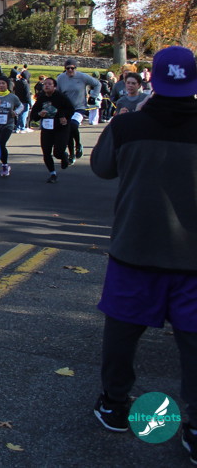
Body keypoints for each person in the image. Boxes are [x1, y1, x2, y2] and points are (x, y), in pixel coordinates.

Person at [89, 45, 197, 462]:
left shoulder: (128, 125)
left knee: (122, 332)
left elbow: (102, 168)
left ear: (153, 81)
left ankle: (115, 403)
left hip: (136, 247)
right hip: (192, 256)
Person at [55, 59, 100, 164]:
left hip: (79, 107)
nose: (70, 70)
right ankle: (72, 154)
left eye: (72, 68)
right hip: (66, 108)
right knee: (68, 130)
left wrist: (93, 96)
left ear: (76, 68)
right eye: (68, 68)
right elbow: (58, 93)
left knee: (73, 126)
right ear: (65, 69)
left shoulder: (82, 76)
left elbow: (97, 84)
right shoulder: (61, 78)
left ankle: (78, 145)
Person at [30, 77, 74, 183]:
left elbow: (71, 109)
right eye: (45, 84)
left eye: (49, 84)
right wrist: (39, 114)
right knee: (46, 152)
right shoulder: (41, 98)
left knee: (58, 152)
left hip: (61, 127)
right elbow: (34, 115)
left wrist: (63, 116)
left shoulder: (61, 97)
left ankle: (64, 155)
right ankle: (52, 174)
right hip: (47, 128)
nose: (47, 86)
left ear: (54, 86)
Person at [0, 77, 24, 177]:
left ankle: (5, 166)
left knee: (1, 144)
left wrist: (16, 112)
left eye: (3, 83)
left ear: (7, 85)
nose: (1, 85)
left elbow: (21, 106)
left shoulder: (12, 97)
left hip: (8, 124)